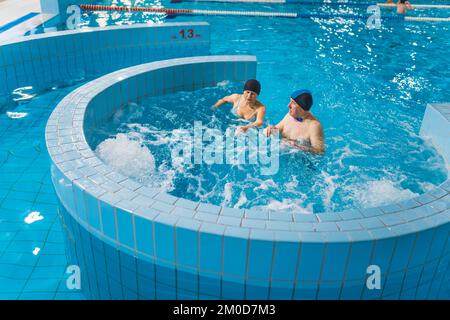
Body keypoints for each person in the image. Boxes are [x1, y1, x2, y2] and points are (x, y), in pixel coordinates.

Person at [264, 89, 325, 154]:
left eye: (293, 103)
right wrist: (270, 128)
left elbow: (319, 152)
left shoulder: (314, 126)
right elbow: (276, 129)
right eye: (290, 101)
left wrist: (299, 147)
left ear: (302, 108)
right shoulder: (289, 116)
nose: (288, 105)